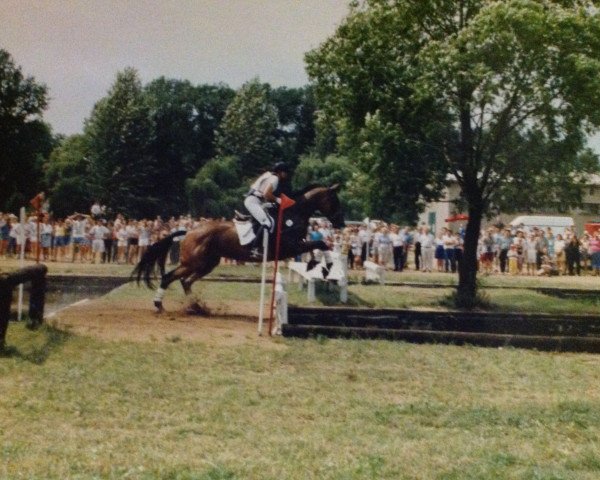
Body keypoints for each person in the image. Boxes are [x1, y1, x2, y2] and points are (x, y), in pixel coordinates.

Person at [244, 162, 291, 256]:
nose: (286, 175)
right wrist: (278, 200)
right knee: (267, 223)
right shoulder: (275, 179)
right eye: (285, 172)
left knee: (271, 221)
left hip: (256, 201)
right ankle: (255, 248)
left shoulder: (268, 175)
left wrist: (272, 204)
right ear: (280, 172)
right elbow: (267, 194)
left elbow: (263, 195)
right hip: (254, 201)